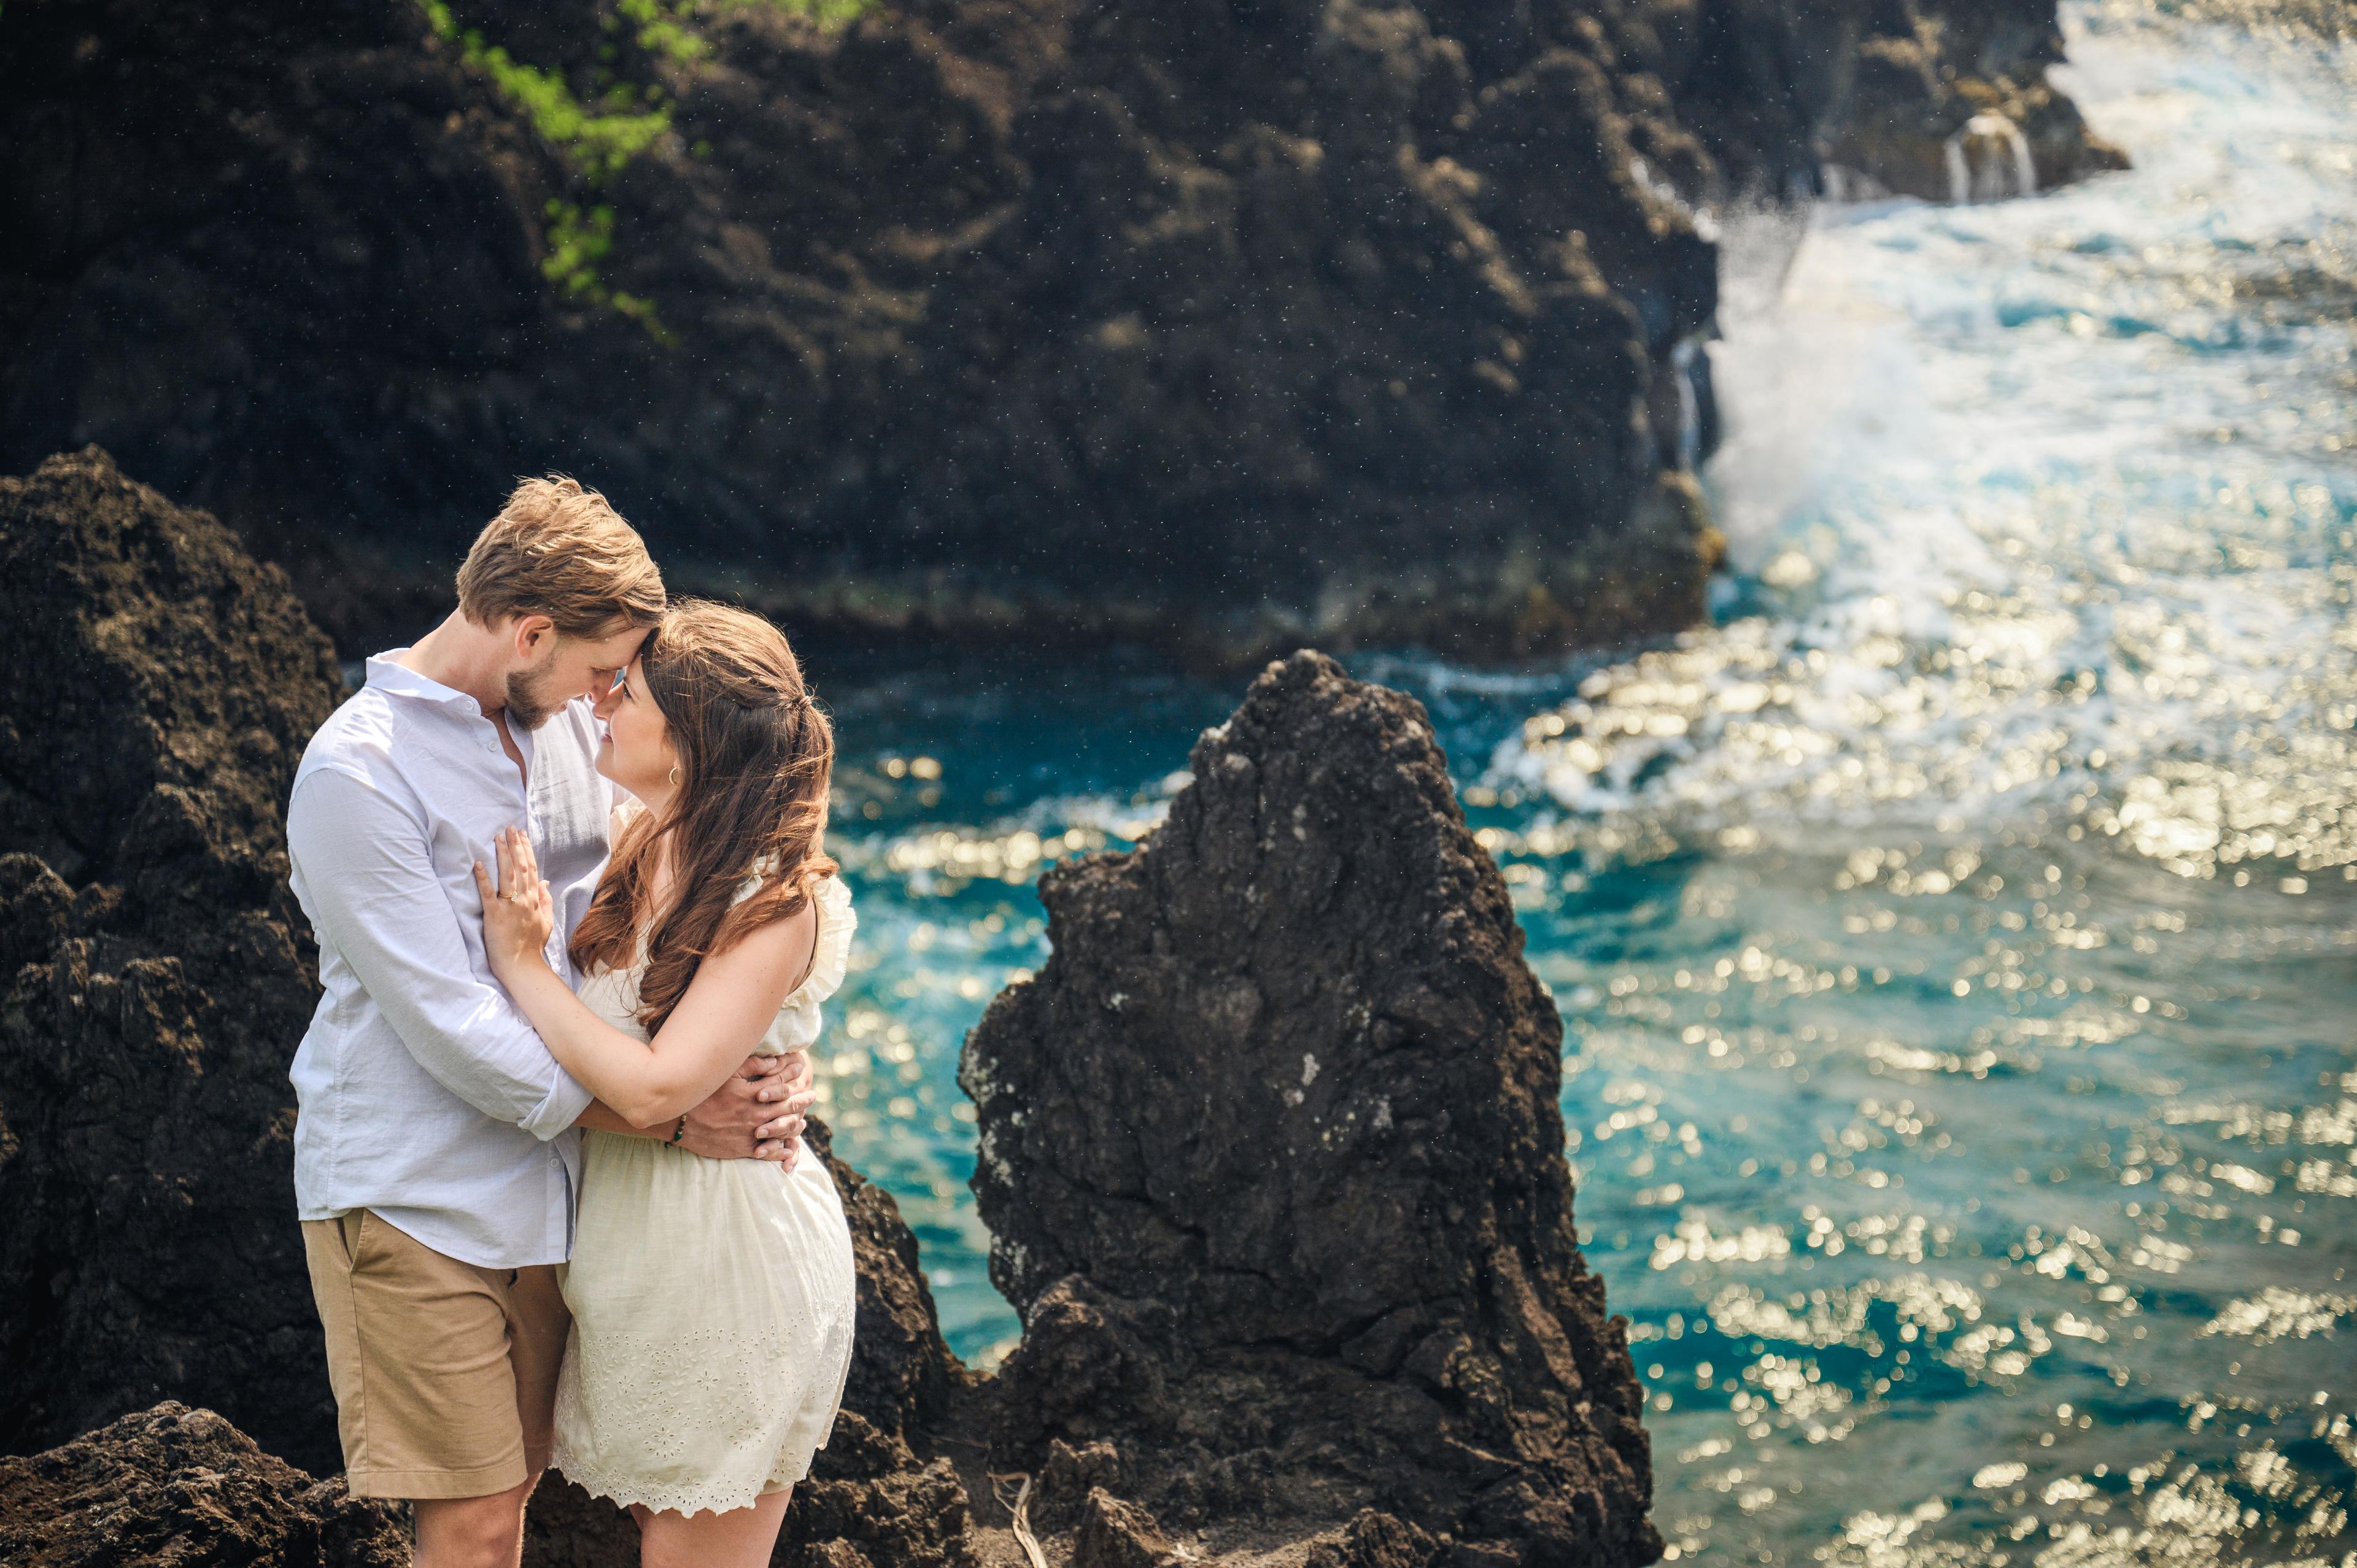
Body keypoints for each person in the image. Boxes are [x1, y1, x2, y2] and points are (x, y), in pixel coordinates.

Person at [286, 478, 818, 1568]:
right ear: (529, 632)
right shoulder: (359, 772)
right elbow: (455, 1031)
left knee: (517, 1502)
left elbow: (695, 909)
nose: (606, 697)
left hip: (569, 1204)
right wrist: (672, 1118)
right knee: (475, 1528)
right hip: (417, 1191)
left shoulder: (576, 732)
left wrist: (763, 1057)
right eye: (599, 671)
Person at [474, 601, 859, 1568]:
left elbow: (654, 1092)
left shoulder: (770, 900)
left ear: (687, 742)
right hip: (633, 1264)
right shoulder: (639, 839)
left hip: (728, 1268)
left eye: (627, 692)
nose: (601, 700)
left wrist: (522, 967)